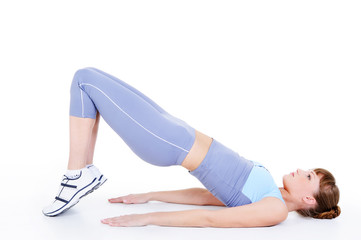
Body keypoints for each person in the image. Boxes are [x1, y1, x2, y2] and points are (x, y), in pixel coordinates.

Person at [42, 67, 341, 227]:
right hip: (175, 129)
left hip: (168, 141)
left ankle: (77, 174)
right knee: (91, 75)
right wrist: (151, 196)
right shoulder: (270, 192)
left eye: (310, 176)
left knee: (84, 80)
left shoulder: (274, 209)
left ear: (309, 200)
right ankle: (82, 172)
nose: (302, 170)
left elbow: (211, 219)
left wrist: (149, 219)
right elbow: (207, 199)